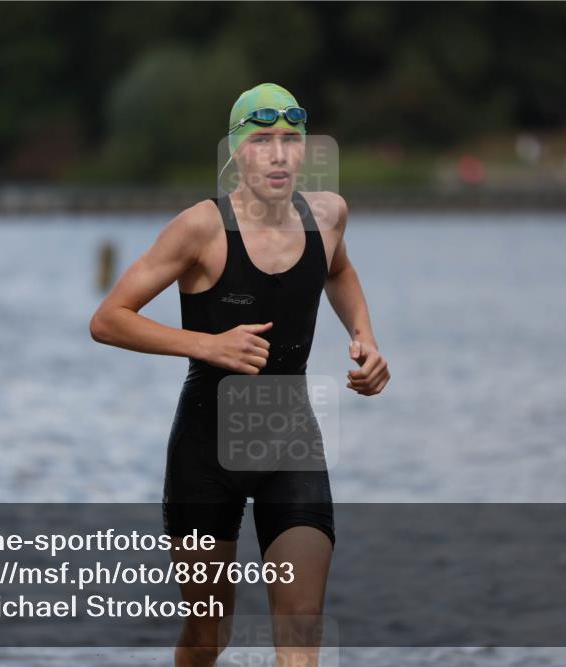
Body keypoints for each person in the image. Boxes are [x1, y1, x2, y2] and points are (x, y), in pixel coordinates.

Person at [90, 82, 388, 666]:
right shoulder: (200, 229)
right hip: (206, 452)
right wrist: (209, 345)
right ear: (235, 152)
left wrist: (365, 336)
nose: (278, 155)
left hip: (291, 444)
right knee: (208, 638)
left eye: (289, 141)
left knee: (301, 637)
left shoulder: (327, 216)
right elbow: (108, 319)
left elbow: (340, 272)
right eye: (261, 141)